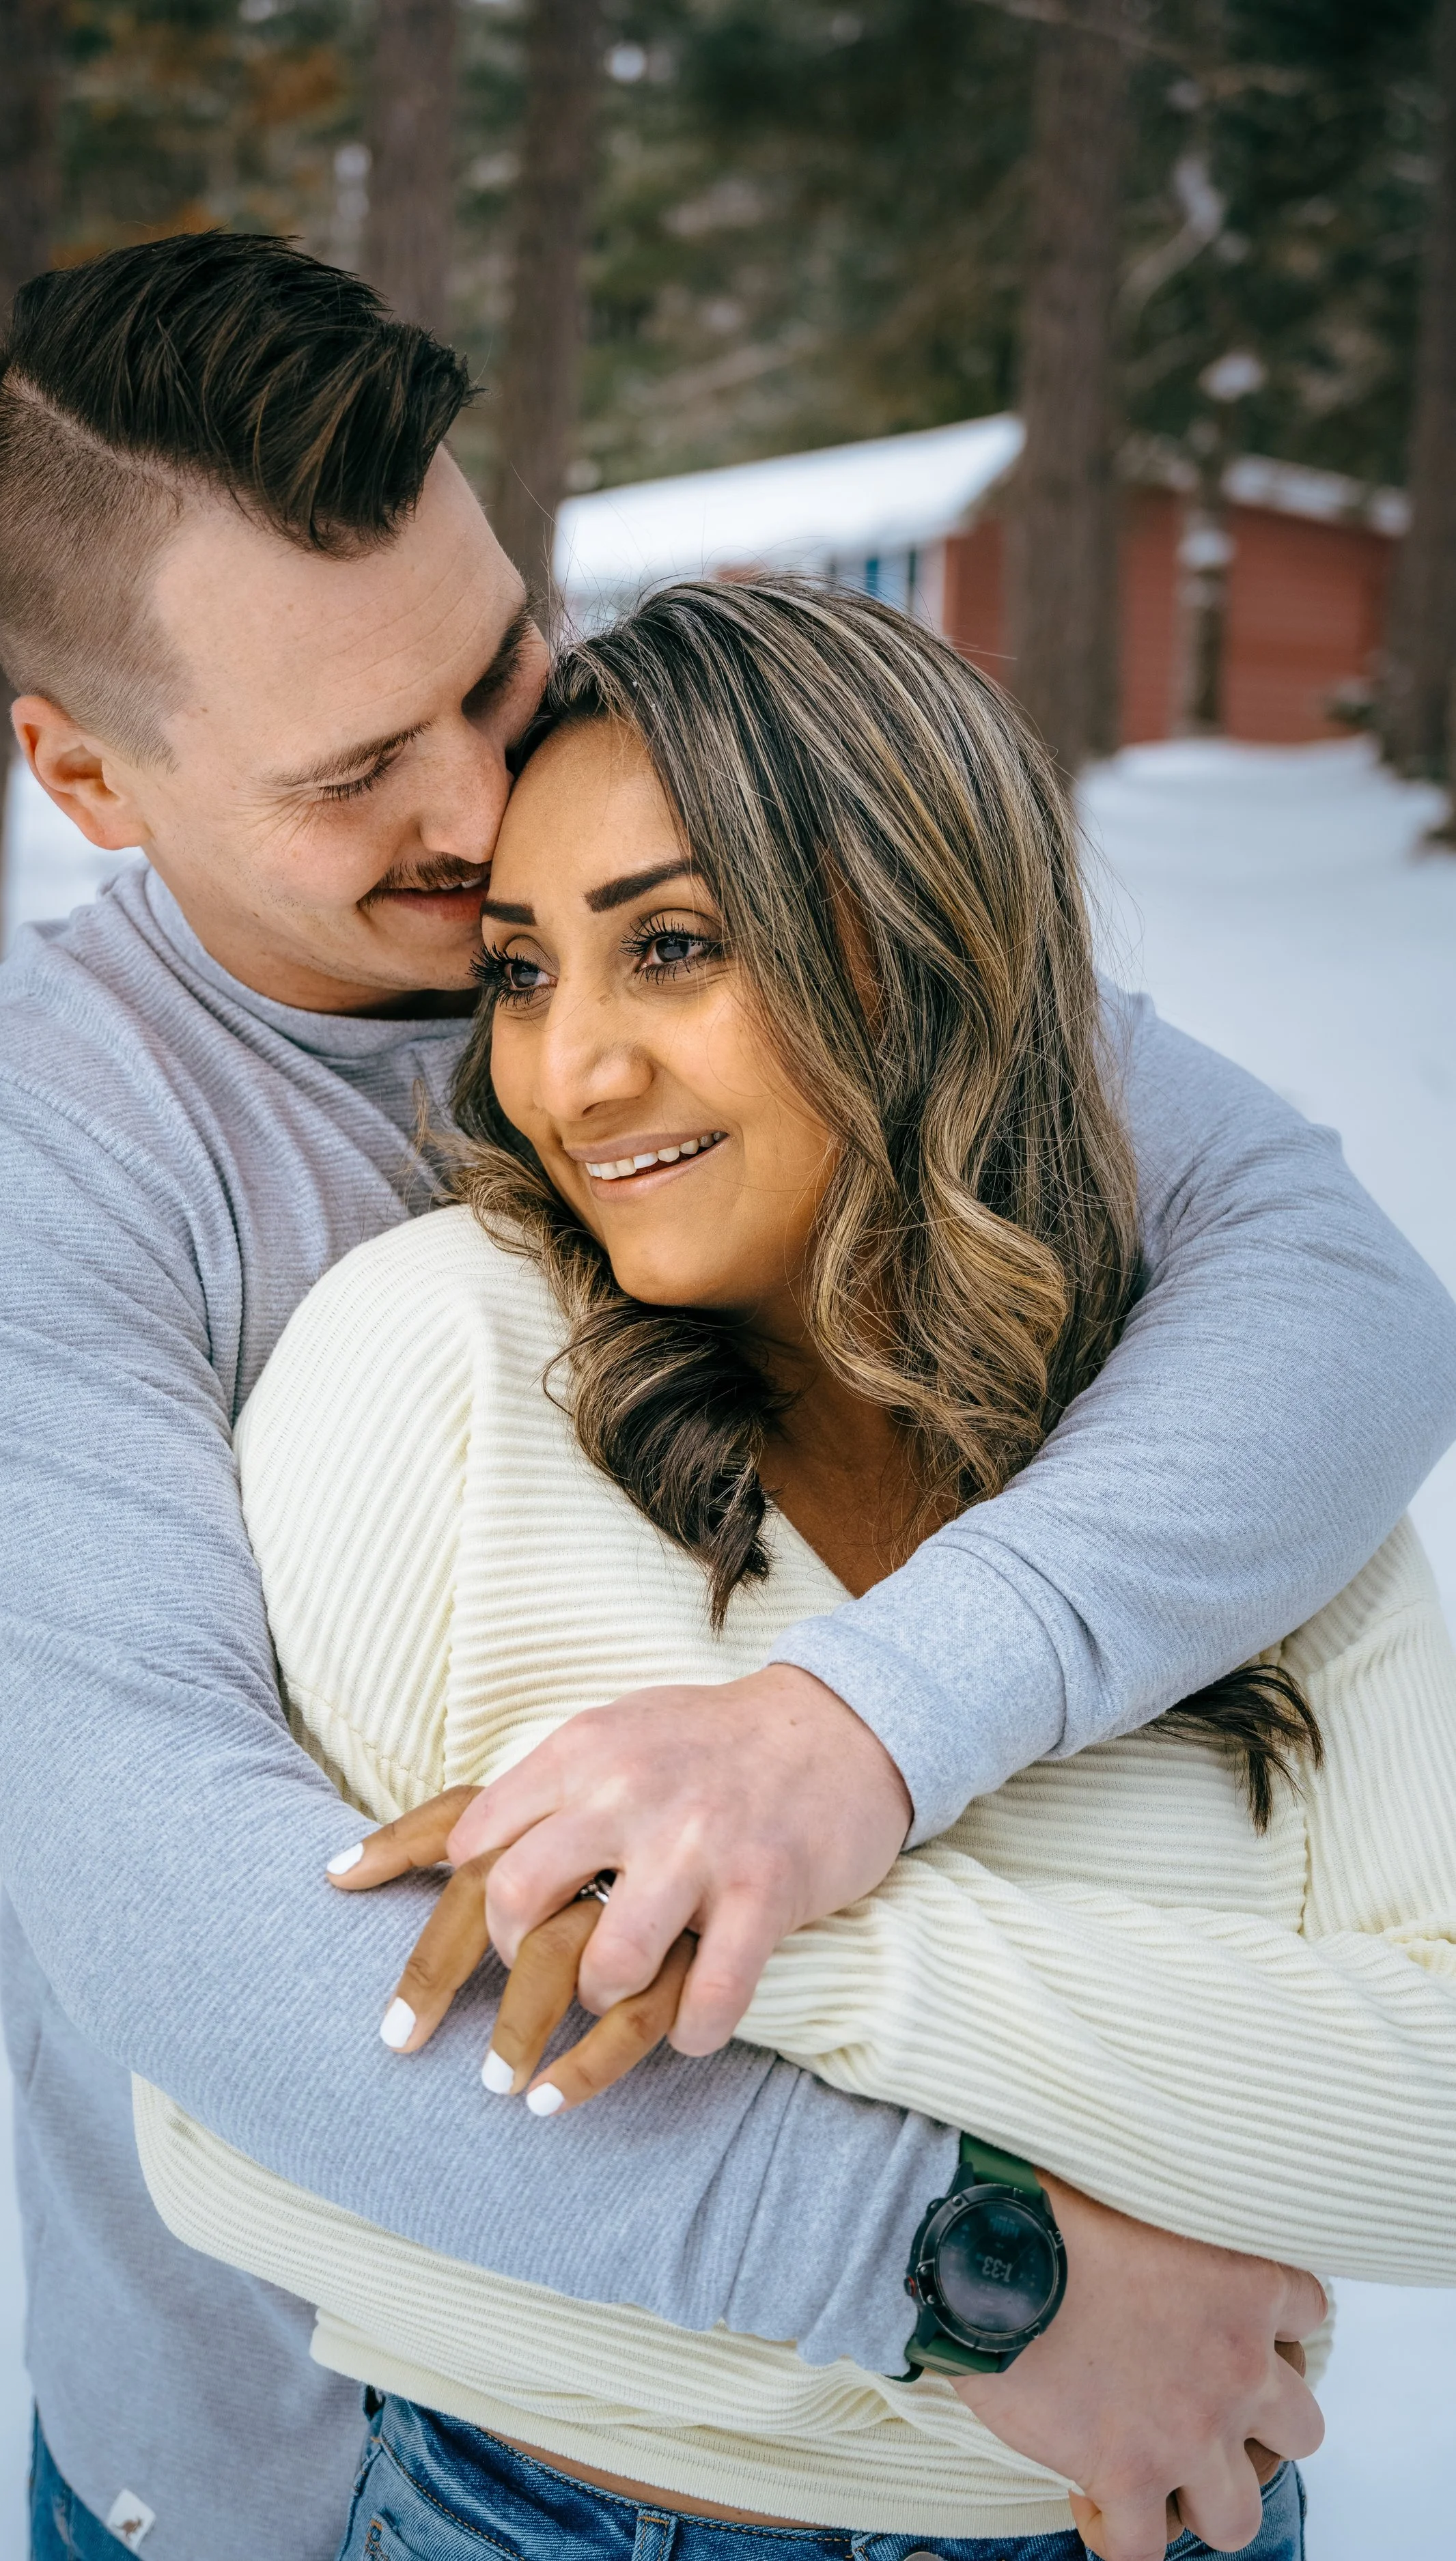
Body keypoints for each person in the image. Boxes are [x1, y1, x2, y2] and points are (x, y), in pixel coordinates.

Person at [0, 234, 1456, 2561]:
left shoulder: (778, 921)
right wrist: (963, 2271)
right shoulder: (28, 1166)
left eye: (502, 665)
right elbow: (195, 1923)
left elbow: (1328, 1293)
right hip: (306, 2461)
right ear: (85, 771)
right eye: (356, 773)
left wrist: (857, 1734)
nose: (498, 799)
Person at [141, 578, 1456, 2561]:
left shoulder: (1223, 1445)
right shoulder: (430, 1363)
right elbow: (239, 2135)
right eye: (519, 971)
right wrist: (1001, 2274)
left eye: (668, 946)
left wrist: (730, 1927)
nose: (566, 1071)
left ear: (917, 937)